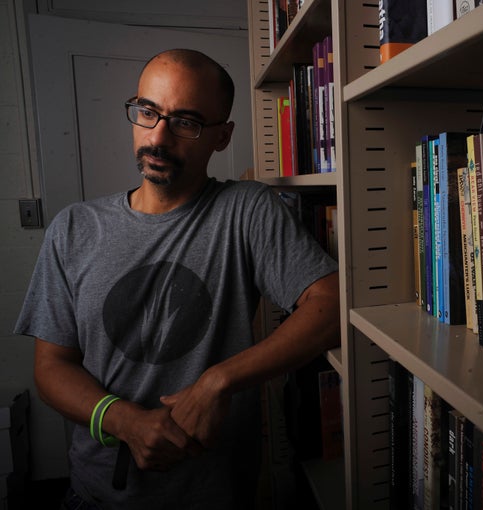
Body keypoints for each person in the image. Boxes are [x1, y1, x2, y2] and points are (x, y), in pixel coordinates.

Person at [14, 48, 340, 509]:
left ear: (222, 137)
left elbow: (329, 303)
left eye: (185, 122)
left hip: (214, 495)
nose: (158, 138)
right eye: (148, 112)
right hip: (96, 496)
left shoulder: (246, 210)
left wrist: (218, 381)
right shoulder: (74, 228)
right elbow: (50, 368)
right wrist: (124, 420)